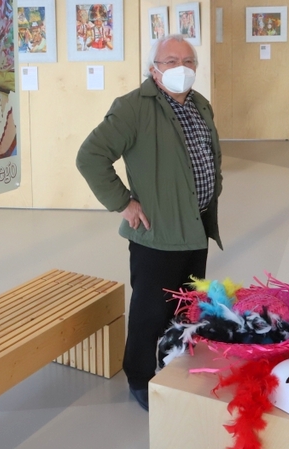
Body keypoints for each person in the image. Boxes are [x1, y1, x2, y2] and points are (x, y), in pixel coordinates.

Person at [76, 34, 223, 412]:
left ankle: (176, 364)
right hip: (156, 233)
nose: (181, 68)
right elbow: (90, 156)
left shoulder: (199, 104)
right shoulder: (133, 108)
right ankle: (140, 377)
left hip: (195, 228)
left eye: (188, 61)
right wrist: (123, 203)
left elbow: (207, 155)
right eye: (171, 61)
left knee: (189, 304)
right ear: (154, 70)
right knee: (151, 311)